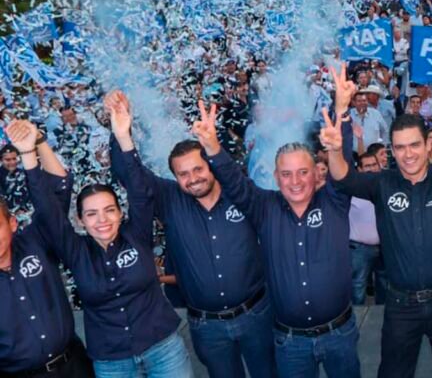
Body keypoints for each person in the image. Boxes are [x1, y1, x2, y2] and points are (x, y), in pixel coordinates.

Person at [191, 68, 359, 378]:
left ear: (316, 174)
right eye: (286, 174)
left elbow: (341, 159)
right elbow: (234, 182)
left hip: (340, 336)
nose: (295, 181)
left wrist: (342, 111)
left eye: (302, 172)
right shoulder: (264, 207)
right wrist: (213, 147)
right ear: (276, 178)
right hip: (289, 343)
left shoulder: (335, 201)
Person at [103, 91, 276, 378]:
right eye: (183, 174)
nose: (192, 177)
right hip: (207, 326)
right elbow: (131, 178)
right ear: (175, 177)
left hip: (256, 315)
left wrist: (213, 146)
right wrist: (121, 134)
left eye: (198, 168)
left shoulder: (239, 193)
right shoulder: (169, 199)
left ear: (211, 166)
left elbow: (236, 178)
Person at [324, 80, 432, 378]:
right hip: (401, 306)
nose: (408, 154)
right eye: (399, 147)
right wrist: (336, 145)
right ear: (392, 151)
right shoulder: (381, 183)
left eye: (415, 145)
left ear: (429, 146)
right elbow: (343, 179)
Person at [10, 119, 193, 378]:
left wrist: (122, 136)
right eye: (92, 214)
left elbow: (139, 189)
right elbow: (48, 212)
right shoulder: (75, 250)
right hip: (111, 362)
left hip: (163, 349)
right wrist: (29, 154)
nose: (102, 220)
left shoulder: (137, 234)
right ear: (80, 220)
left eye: (109, 210)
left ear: (121, 213)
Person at [0, 123, 93, 377]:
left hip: (75, 366)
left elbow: (58, 191)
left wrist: (33, 149)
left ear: (12, 223)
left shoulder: (35, 240)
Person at [349, 151, 386, 306]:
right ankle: (355, 323)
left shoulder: (387, 188)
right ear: (360, 169)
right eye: (367, 166)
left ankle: (383, 319)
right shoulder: (351, 190)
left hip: (385, 247)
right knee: (357, 287)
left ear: (380, 166)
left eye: (374, 165)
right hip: (359, 249)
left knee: (385, 285)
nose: (371, 169)